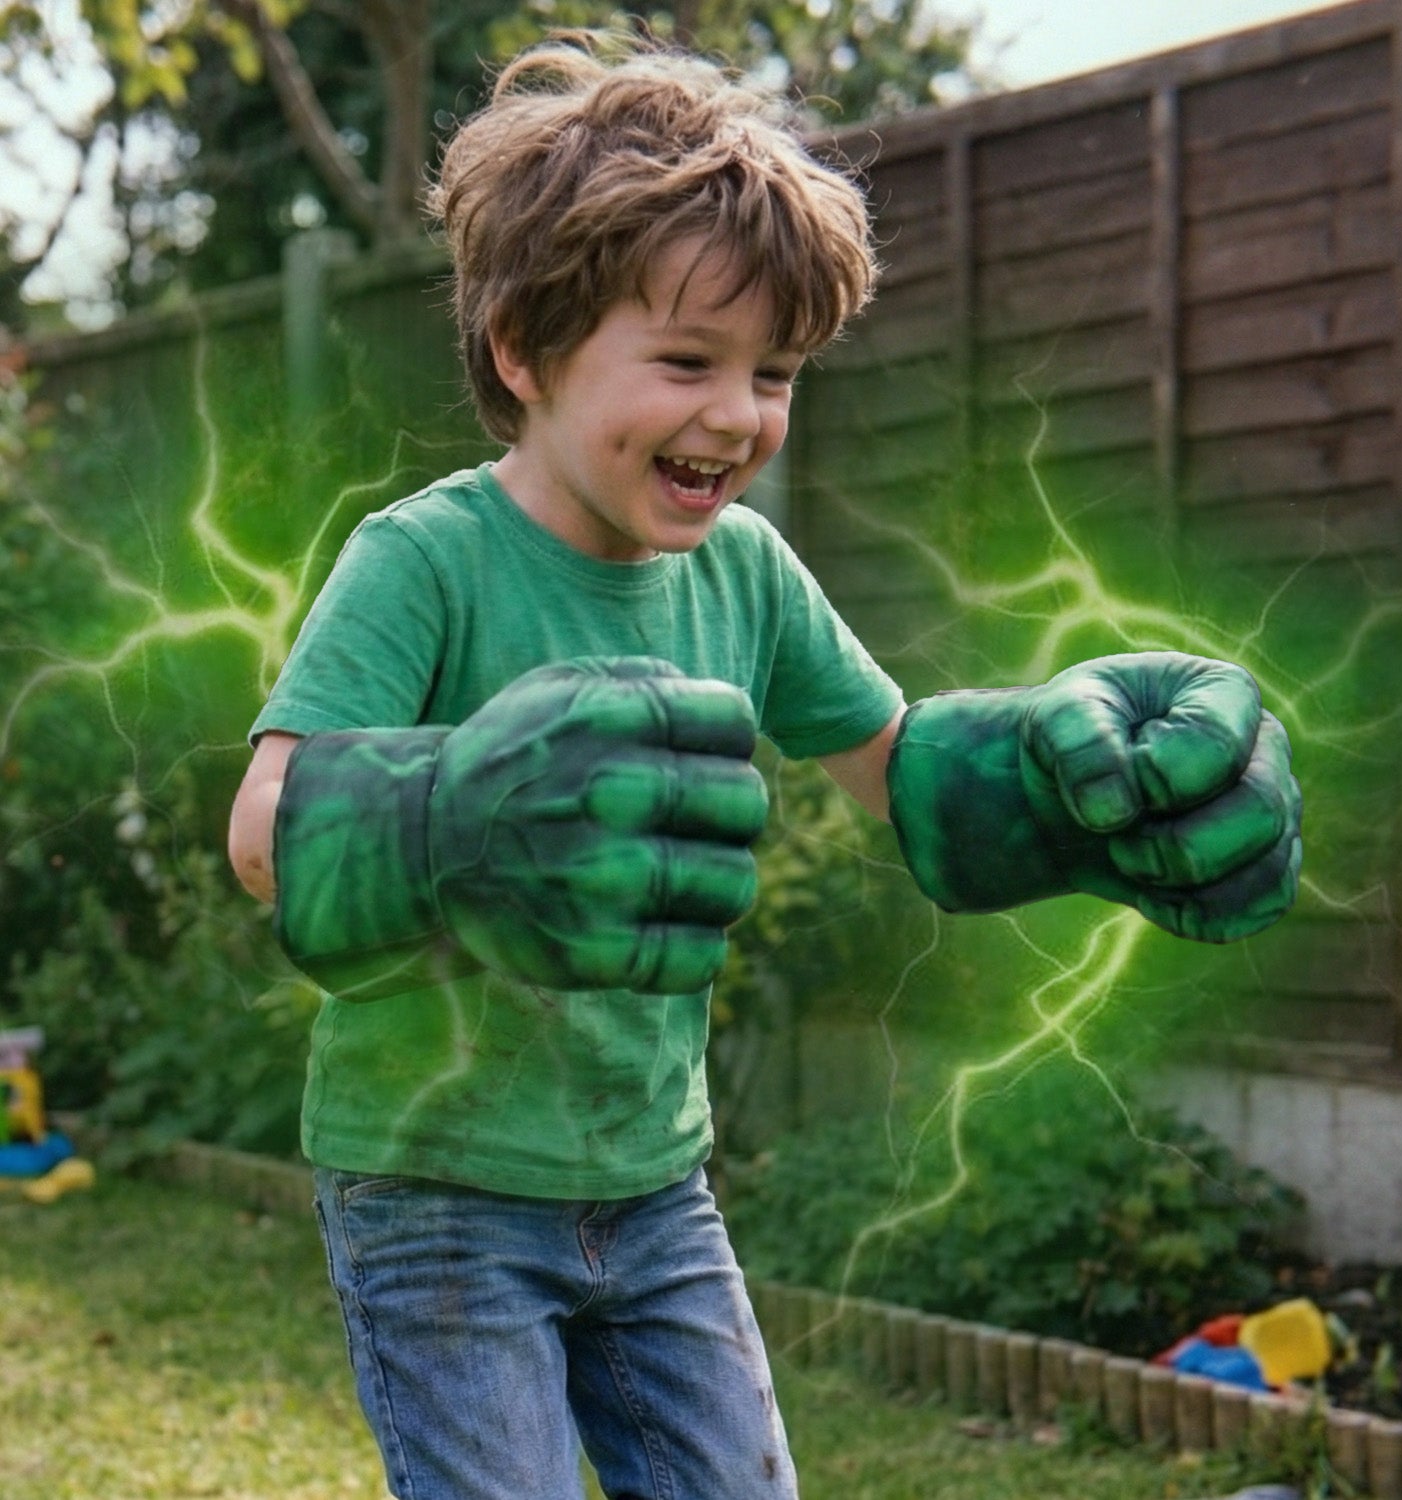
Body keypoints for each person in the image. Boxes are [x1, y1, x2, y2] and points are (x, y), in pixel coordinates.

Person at [227, 32, 1301, 1500]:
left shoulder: (746, 574)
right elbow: (265, 825)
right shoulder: (425, 562)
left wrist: (1056, 786)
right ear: (524, 350)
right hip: (436, 1188)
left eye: (775, 372)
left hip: (655, 1185)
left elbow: (899, 770)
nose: (738, 416)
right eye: (687, 361)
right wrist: (450, 818)